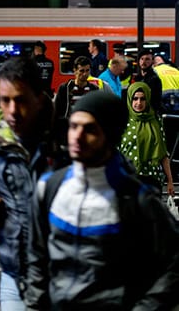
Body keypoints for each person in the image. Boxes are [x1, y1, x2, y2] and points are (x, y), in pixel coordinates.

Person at [25, 91, 179, 310]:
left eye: (90, 129)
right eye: (74, 126)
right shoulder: (50, 187)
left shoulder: (137, 198)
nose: (77, 136)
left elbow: (173, 265)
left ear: (110, 135)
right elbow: (35, 256)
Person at [0, 56, 54, 310]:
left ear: (39, 99)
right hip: (14, 272)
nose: (12, 111)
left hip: (61, 273)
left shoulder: (64, 143)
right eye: (5, 101)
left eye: (21, 100)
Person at [120, 82, 174, 194]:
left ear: (148, 100)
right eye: (135, 99)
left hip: (152, 180)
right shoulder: (122, 122)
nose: (138, 103)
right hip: (128, 179)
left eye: (142, 99)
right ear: (130, 99)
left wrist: (170, 180)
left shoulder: (156, 121)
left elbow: (163, 153)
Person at [54, 56, 99, 148]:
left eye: (87, 70)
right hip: (68, 132)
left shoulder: (94, 89)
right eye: (82, 71)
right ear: (75, 71)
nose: (85, 74)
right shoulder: (65, 89)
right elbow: (57, 112)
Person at [135, 50, 163, 115]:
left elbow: (155, 101)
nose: (143, 62)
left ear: (152, 62)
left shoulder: (154, 79)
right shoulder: (136, 78)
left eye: (147, 59)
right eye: (142, 59)